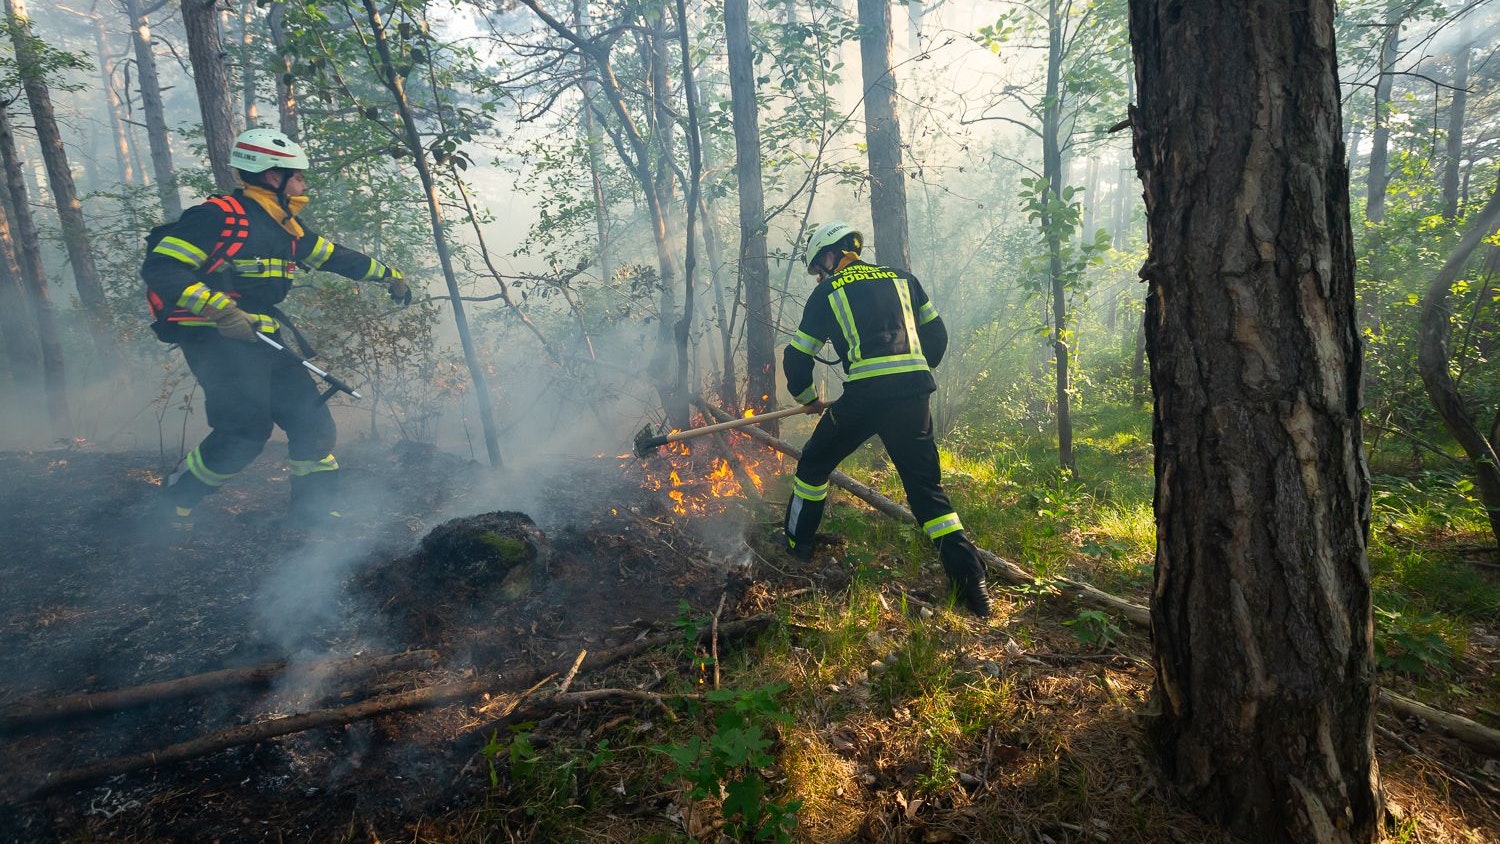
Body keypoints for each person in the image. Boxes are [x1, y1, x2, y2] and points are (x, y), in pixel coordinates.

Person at [142, 127, 411, 529]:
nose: (303, 184)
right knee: (244, 431)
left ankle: (313, 514)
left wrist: (388, 275)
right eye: (298, 176)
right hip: (215, 337)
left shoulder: (283, 227)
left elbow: (332, 255)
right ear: (273, 176)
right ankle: (171, 506)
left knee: (311, 422)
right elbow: (162, 268)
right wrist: (219, 309)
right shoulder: (216, 218)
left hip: (263, 337)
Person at [782, 221, 990, 617]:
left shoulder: (828, 291)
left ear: (829, 256)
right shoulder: (904, 279)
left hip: (863, 400)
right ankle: (971, 583)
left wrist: (807, 398)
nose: (819, 275)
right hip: (912, 397)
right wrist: (910, 373)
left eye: (818, 268)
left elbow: (796, 357)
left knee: (813, 465)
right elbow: (938, 336)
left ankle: (797, 545)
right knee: (926, 490)